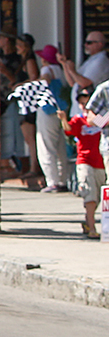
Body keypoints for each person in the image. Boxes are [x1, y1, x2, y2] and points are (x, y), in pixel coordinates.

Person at [58, 86, 104, 239]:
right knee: (89, 194)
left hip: (101, 161)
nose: (84, 106)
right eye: (82, 103)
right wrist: (63, 119)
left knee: (98, 196)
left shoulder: (99, 119)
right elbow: (69, 130)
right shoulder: (79, 119)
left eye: (87, 102)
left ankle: (87, 221)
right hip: (85, 160)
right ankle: (92, 227)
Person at [34, 43, 70, 193]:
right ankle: (63, 179)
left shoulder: (46, 69)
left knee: (46, 146)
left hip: (47, 110)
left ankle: (52, 181)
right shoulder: (61, 70)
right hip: (62, 109)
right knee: (61, 146)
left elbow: (45, 80)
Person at [58, 30, 109, 118]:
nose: (85, 45)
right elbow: (73, 83)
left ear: (100, 44)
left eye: (89, 43)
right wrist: (65, 65)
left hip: (92, 114)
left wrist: (72, 70)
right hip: (79, 113)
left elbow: (84, 83)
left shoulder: (101, 61)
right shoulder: (91, 60)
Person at [0, 31, 24, 174]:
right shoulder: (0, 57)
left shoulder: (15, 59)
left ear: (6, 39)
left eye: (0, 37)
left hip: (11, 99)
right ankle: (3, 163)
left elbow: (15, 79)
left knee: (12, 133)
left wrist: (4, 70)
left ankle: (13, 165)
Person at [14, 32, 40, 178]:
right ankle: (33, 166)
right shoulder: (23, 61)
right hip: (24, 101)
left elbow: (34, 78)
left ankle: (34, 168)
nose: (16, 47)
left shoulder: (29, 61)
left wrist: (19, 85)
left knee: (30, 138)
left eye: (19, 44)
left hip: (29, 102)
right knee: (28, 138)